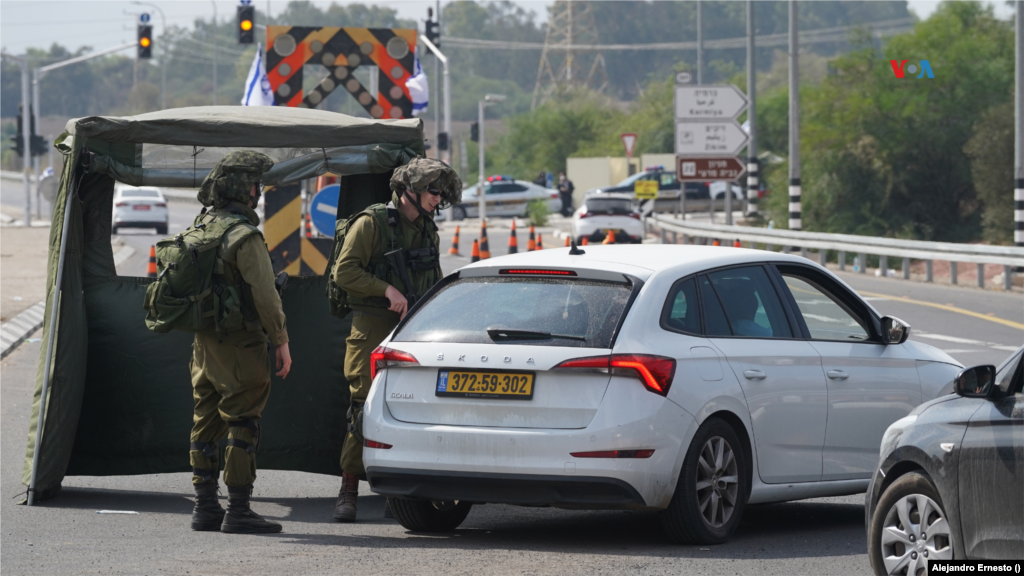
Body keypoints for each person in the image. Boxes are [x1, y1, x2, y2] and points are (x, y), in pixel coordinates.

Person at [331, 157, 462, 522]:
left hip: (413, 328)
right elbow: (345, 272)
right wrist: (386, 289)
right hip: (373, 325)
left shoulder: (426, 229)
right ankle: (348, 490)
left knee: (410, 408)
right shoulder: (371, 223)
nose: (438, 199)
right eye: (433, 191)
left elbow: (434, 276)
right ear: (410, 190)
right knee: (363, 407)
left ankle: (398, 492)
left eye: (440, 193)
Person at [188, 151, 293, 534]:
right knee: (242, 422)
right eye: (254, 184)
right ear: (240, 188)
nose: (258, 191)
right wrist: (281, 341)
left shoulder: (203, 225)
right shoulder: (244, 235)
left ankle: (204, 507)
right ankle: (239, 510)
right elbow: (266, 295)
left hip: (204, 345)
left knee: (205, 420)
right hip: (240, 346)